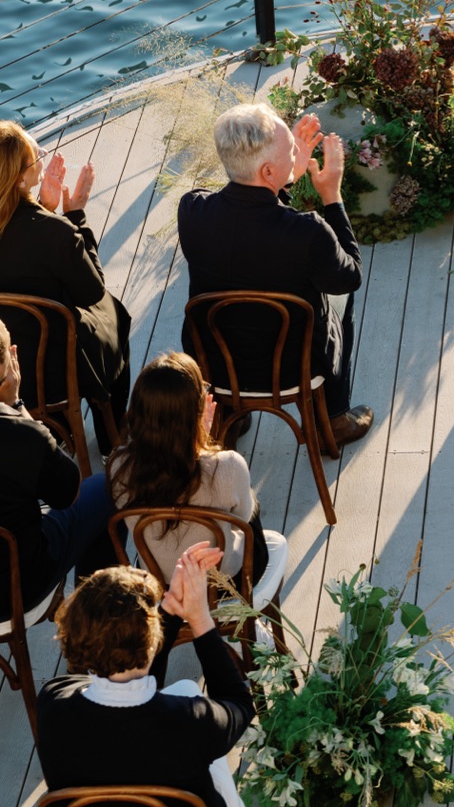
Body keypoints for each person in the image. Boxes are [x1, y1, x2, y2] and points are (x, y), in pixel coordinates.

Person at [36, 546, 252, 807]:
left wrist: (166, 610)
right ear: (153, 643)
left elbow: (125, 693)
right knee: (210, 748)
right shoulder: (189, 723)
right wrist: (199, 619)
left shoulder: (53, 705)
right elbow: (238, 703)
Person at [178, 103, 372, 446]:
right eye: (291, 150)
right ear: (268, 171)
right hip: (292, 368)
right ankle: (334, 418)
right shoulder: (308, 233)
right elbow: (349, 276)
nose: (297, 152)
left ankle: (226, 415)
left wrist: (286, 176)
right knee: (342, 294)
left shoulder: (192, 210)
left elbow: (248, 222)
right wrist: (332, 197)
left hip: (217, 365)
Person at [0, 121, 131, 444]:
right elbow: (92, 292)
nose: (42, 161)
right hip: (54, 370)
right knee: (116, 313)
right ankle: (110, 439)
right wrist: (74, 218)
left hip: (5, 364)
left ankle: (58, 429)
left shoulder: (46, 228)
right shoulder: (54, 233)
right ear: (20, 179)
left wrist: (46, 209)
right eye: (36, 159)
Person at [108, 351, 277, 585]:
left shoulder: (118, 465)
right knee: (248, 502)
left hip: (160, 581)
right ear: (197, 412)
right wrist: (203, 438)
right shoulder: (227, 466)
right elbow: (243, 517)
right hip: (223, 583)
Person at [0, 316, 116, 620]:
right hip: (16, 589)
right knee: (106, 489)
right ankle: (96, 624)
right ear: (8, 365)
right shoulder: (22, 437)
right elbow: (69, 493)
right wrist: (16, 406)